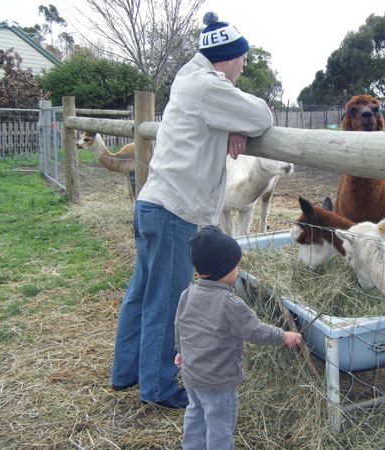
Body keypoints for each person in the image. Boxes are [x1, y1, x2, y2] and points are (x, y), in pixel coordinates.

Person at [110, 12, 274, 408]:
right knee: (165, 302)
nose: (244, 65)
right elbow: (263, 115)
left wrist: (230, 127)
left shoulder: (189, 79)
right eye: (242, 58)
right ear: (228, 58)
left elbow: (225, 117)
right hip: (174, 212)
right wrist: (240, 124)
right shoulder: (208, 86)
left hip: (152, 203)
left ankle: (126, 372)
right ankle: (160, 387)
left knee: (141, 293)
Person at [175, 225, 302, 449]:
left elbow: (180, 324)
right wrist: (283, 335)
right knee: (219, 426)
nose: (239, 268)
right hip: (218, 381)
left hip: (191, 375)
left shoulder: (188, 293)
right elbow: (255, 331)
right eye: (237, 265)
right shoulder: (231, 304)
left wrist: (180, 351)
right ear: (226, 269)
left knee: (195, 414)